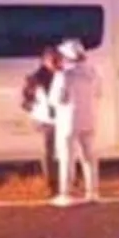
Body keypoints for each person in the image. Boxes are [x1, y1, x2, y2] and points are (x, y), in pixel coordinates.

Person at [50, 38, 103, 206]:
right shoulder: (93, 72)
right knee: (89, 156)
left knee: (67, 156)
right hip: (89, 118)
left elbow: (57, 98)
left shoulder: (64, 74)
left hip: (68, 120)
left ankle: (66, 193)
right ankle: (92, 192)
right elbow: (99, 93)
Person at [20, 46, 61, 197]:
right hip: (46, 119)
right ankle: (53, 183)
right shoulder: (36, 78)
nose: (56, 63)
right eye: (53, 60)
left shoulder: (59, 76)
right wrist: (36, 108)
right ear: (44, 61)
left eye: (57, 60)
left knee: (58, 151)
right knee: (50, 151)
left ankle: (59, 181)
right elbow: (25, 102)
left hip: (57, 118)